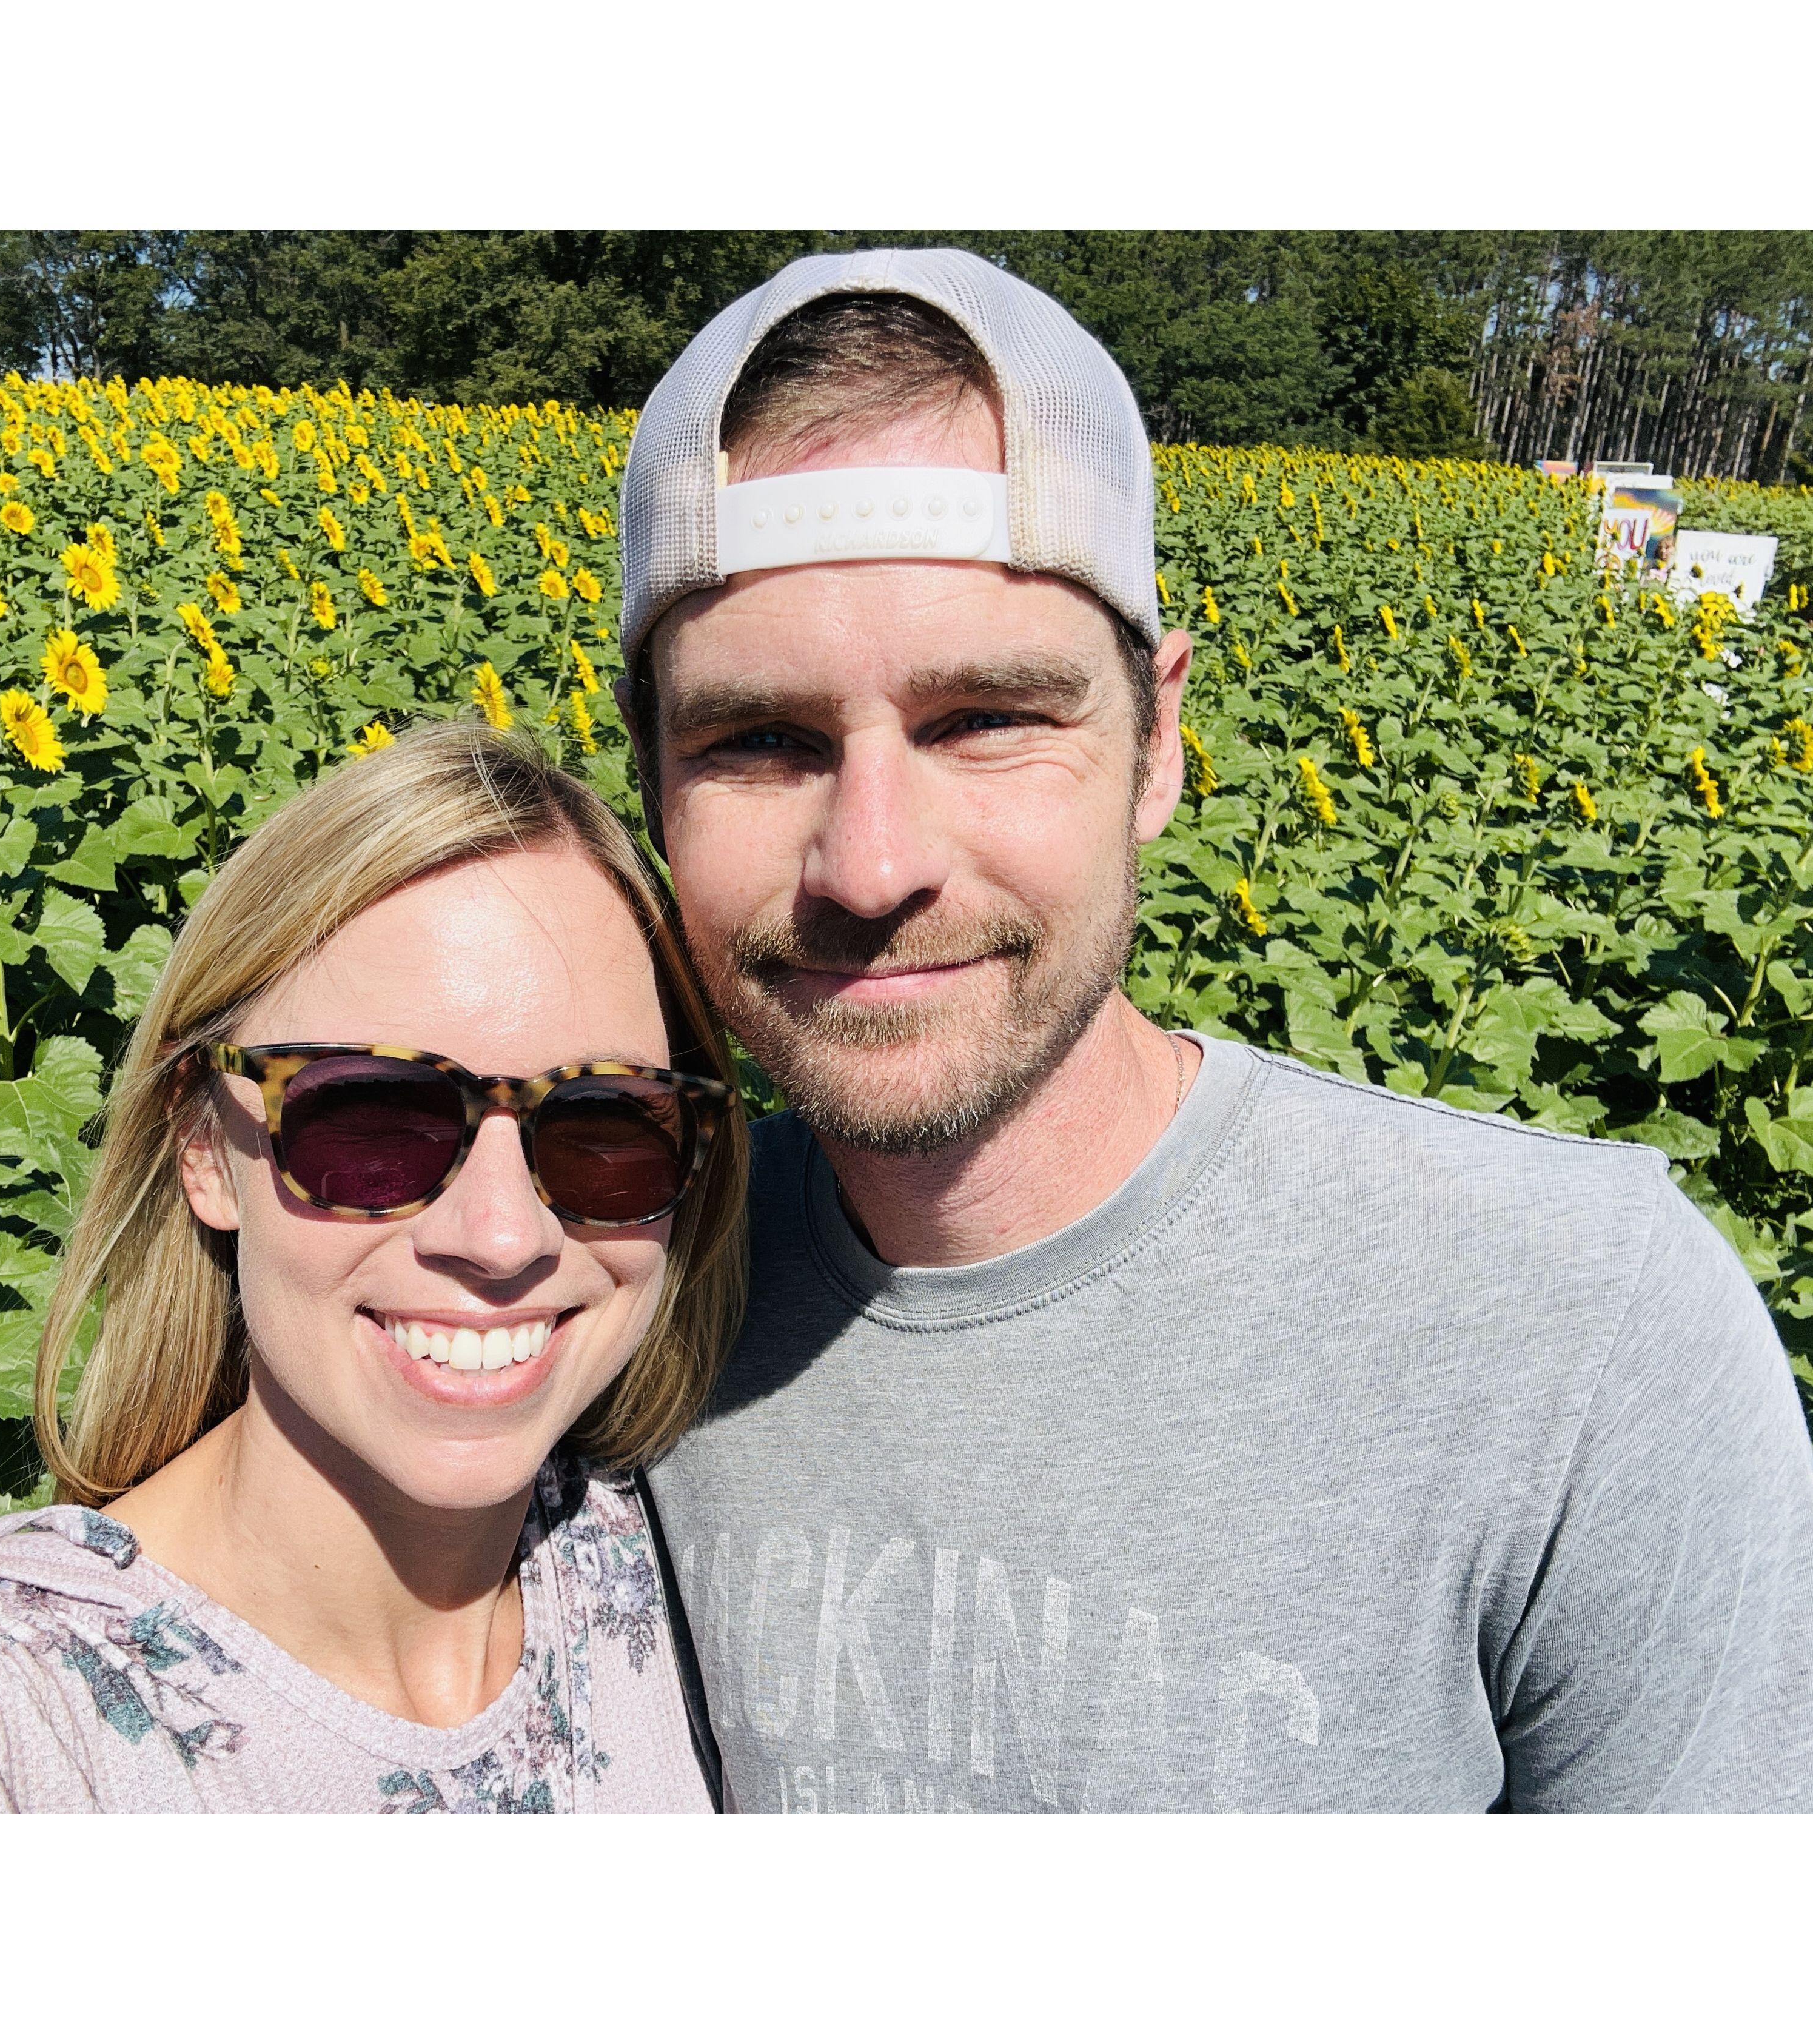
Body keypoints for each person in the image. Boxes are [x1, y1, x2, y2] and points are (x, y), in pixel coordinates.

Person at [619, 247, 1813, 1814]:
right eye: (758, 741)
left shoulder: (1576, 1337)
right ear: (649, 781)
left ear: (1158, 742)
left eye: (987, 720)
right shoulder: (595, 1289)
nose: (873, 861)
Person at [0, 726, 745, 1813]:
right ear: (204, 1151)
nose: (503, 1236)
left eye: (606, 1122)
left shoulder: (678, 1558)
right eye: (373, 1115)